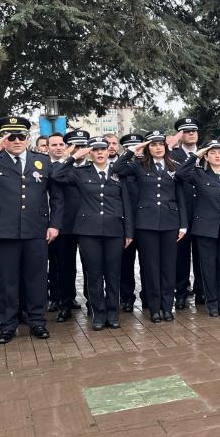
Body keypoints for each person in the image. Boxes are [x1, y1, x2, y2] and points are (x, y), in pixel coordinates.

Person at [0, 115, 64, 344]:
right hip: (3, 231)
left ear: (28, 138)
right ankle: (7, 325)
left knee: (36, 280)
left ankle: (37, 321)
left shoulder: (42, 161)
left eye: (21, 136)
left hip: (36, 230)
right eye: (11, 137)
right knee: (6, 281)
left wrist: (55, 224)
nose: (17, 140)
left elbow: (57, 196)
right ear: (3, 139)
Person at [53, 137, 134, 331]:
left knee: (113, 274)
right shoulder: (81, 173)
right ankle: (98, 314)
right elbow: (56, 175)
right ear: (90, 153)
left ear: (108, 151)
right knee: (94, 274)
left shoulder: (117, 173)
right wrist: (73, 157)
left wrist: (129, 231)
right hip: (88, 232)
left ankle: (113, 314)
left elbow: (126, 203)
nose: (99, 153)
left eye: (103, 149)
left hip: (114, 230)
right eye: (95, 150)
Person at [112, 130, 187, 323]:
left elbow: (180, 196)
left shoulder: (174, 166)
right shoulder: (139, 165)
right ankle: (154, 308)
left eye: (161, 144)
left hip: (170, 222)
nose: (158, 148)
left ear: (166, 146)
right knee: (151, 267)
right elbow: (118, 168)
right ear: (148, 148)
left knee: (168, 267)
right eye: (153, 144)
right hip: (146, 223)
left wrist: (183, 225)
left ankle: (167, 307)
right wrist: (133, 149)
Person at [174, 140, 220, 316]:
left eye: (219, 152)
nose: (217, 156)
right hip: (206, 229)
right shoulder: (199, 175)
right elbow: (180, 173)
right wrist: (196, 155)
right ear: (206, 156)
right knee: (208, 267)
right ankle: (212, 303)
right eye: (212, 153)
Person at [49, 130, 87, 321]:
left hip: (88, 224)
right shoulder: (60, 167)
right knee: (65, 267)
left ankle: (92, 301)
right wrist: (70, 157)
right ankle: (65, 303)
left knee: (91, 266)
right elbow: (55, 176)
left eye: (82, 146)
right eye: (74, 146)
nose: (78, 149)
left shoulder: (92, 166)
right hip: (65, 225)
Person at [171, 116, 203, 308]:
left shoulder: (206, 152)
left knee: (202, 255)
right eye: (186, 131)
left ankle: (201, 291)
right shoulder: (172, 154)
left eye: (194, 131)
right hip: (182, 212)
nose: (191, 134)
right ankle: (181, 292)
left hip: (203, 212)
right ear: (180, 135)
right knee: (181, 256)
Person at [117, 133, 145, 311]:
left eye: (138, 147)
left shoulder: (148, 166)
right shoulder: (121, 168)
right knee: (125, 263)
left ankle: (148, 296)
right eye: (131, 148)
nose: (136, 152)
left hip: (146, 222)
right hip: (125, 222)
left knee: (148, 263)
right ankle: (127, 298)